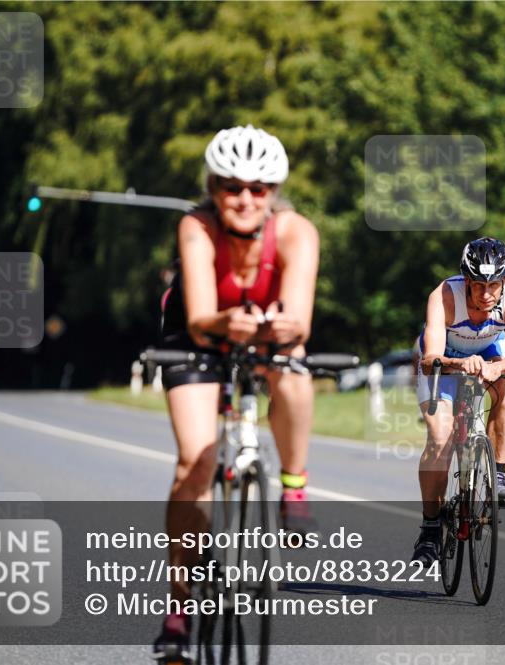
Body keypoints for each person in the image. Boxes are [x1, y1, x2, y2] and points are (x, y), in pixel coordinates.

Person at [153, 125, 320, 660]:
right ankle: (179, 607)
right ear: (213, 188)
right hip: (198, 339)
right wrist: (228, 322)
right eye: (231, 187)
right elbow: (201, 318)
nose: (245, 199)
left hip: (267, 335)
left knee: (294, 368)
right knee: (194, 462)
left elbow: (300, 321)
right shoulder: (196, 226)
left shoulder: (296, 232)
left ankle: (293, 485)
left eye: (258, 188)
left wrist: (279, 328)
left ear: (273, 193)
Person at [411, 237, 505, 566]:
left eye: (494, 285)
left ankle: (499, 474)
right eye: (478, 285)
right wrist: (459, 363)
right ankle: (430, 528)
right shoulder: (444, 296)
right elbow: (430, 360)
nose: (487, 293)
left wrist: (496, 368)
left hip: (489, 353)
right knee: (440, 439)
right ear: (466, 280)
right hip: (444, 360)